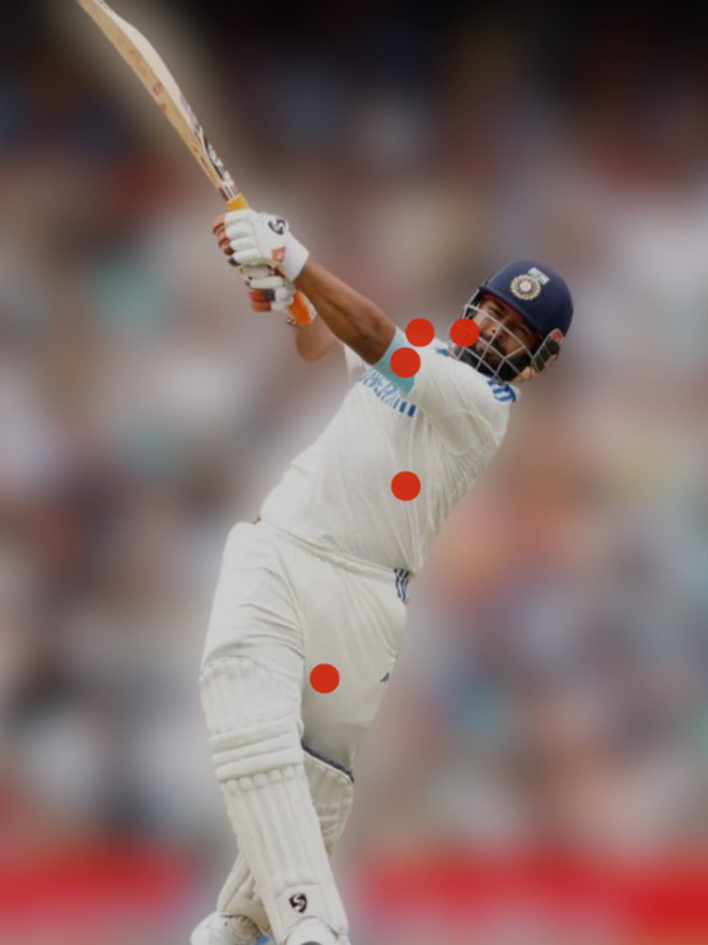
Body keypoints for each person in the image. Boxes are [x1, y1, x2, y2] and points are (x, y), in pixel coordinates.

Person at [191, 208, 573, 945]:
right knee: (245, 706)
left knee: (317, 778)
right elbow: (323, 340)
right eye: (492, 312)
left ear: (538, 357)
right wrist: (289, 296)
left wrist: (294, 259)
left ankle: (249, 924)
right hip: (283, 547)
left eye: (514, 330)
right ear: (472, 305)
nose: (493, 331)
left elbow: (374, 337)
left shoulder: (484, 405)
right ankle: (314, 925)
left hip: (366, 597)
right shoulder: (426, 348)